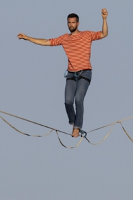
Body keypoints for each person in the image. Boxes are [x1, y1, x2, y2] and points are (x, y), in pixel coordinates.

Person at [18, 9, 108, 137]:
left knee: (78, 99)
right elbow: (46, 42)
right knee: (67, 101)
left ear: (78, 23)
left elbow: (104, 34)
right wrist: (28, 38)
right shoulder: (64, 38)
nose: (71, 25)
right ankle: (73, 121)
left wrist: (104, 19)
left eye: (73, 22)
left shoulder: (87, 35)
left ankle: (77, 127)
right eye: (69, 22)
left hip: (85, 72)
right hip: (71, 74)